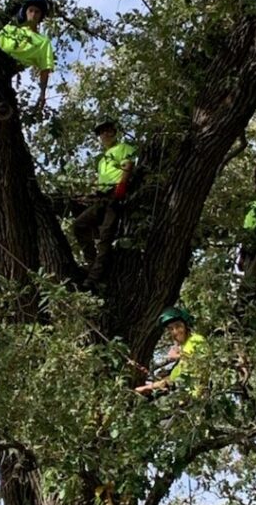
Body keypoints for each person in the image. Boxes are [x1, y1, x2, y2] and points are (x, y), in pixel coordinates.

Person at [73, 120, 135, 284]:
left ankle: (95, 277)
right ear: (99, 137)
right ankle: (92, 263)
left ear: (115, 132)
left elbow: (128, 165)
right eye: (102, 132)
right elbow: (102, 183)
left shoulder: (123, 148)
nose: (106, 134)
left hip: (115, 195)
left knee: (106, 234)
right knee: (79, 224)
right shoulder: (101, 161)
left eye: (109, 131)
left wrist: (122, 186)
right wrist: (88, 198)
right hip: (102, 197)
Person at [0, 0, 55, 112]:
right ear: (25, 12)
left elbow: (45, 68)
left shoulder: (43, 42)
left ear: (41, 16)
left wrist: (42, 93)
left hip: (10, 67)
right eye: (31, 10)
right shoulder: (11, 29)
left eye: (37, 12)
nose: (33, 14)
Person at [134, 307, 206, 397]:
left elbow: (204, 364)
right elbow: (171, 380)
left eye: (178, 326)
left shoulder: (197, 340)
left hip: (196, 398)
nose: (175, 332)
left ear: (186, 326)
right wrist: (149, 387)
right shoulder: (181, 351)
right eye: (171, 329)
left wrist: (179, 356)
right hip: (180, 398)